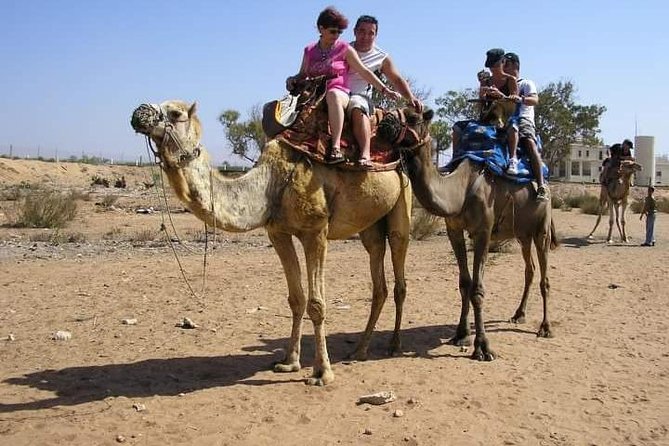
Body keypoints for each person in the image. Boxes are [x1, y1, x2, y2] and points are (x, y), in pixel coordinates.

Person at [286, 7, 401, 164]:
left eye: (339, 32)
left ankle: (335, 148)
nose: (337, 36)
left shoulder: (344, 48)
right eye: (333, 31)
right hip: (314, 94)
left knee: (333, 95)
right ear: (321, 29)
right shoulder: (309, 50)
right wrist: (292, 79)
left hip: (339, 92)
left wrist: (385, 90)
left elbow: (364, 71)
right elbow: (303, 73)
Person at [347, 15, 423, 168]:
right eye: (362, 31)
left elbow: (396, 79)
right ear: (354, 31)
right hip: (339, 92)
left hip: (361, 97)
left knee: (356, 106)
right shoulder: (345, 49)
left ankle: (365, 153)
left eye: (371, 33)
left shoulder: (381, 57)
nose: (366, 36)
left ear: (376, 35)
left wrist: (411, 97)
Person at [502, 52, 548, 201]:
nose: (503, 67)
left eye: (506, 64)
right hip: (505, 120)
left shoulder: (526, 83)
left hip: (524, 119)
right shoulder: (503, 86)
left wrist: (520, 99)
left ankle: (541, 186)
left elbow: (534, 100)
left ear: (515, 65)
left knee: (529, 142)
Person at [478, 48, 520, 175]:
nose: (493, 69)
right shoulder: (486, 81)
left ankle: (513, 159)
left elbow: (514, 100)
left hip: (506, 115)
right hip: (489, 115)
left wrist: (500, 95)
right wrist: (482, 95)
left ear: (503, 62)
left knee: (513, 128)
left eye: (495, 65)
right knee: (460, 128)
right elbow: (481, 105)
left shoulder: (511, 80)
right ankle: (457, 157)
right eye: (491, 66)